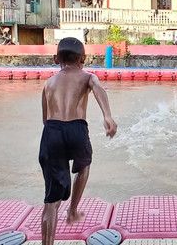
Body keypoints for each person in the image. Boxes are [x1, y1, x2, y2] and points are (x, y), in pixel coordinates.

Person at [39, 37, 118, 245]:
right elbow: (98, 89)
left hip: (52, 130)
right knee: (83, 167)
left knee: (51, 201)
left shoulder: (48, 83)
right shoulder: (87, 77)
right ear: (83, 59)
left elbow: (44, 119)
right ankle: (73, 210)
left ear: (56, 59)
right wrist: (107, 116)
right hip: (77, 128)